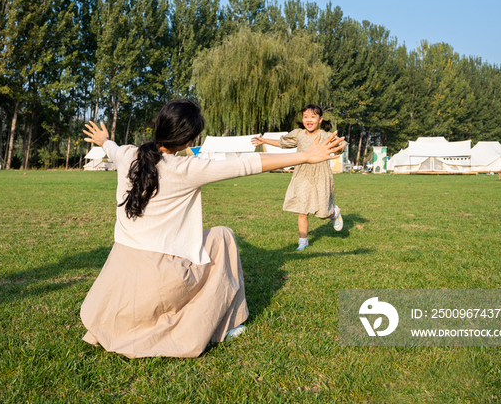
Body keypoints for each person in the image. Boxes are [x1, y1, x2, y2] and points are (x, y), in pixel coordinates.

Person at [80, 99, 345, 358]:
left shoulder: (128, 155)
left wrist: (104, 140)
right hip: (160, 279)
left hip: (120, 274)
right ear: (188, 141)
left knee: (214, 239)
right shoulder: (186, 168)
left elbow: (112, 148)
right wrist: (306, 156)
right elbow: (246, 165)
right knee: (223, 237)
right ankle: (229, 324)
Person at [252, 104, 343, 251]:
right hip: (302, 173)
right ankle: (303, 241)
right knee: (302, 209)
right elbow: (283, 143)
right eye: (306, 116)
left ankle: (333, 212)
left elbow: (341, 144)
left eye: (313, 117)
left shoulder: (325, 135)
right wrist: (264, 140)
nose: (309, 120)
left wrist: (338, 144)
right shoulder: (299, 134)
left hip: (321, 174)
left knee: (322, 214)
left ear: (320, 119)